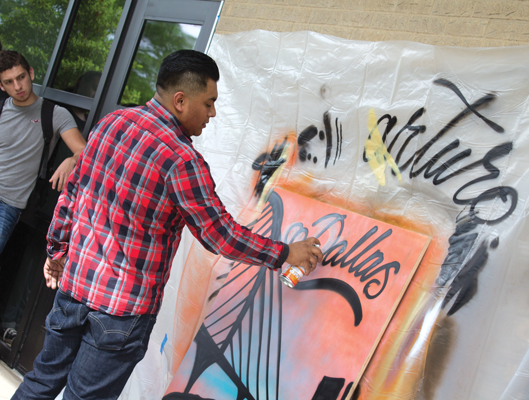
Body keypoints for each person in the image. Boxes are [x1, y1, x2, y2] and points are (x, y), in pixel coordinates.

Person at [12, 49, 323, 400]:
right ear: (180, 100)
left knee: (39, 383)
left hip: (73, 291)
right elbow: (220, 236)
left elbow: (72, 193)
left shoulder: (111, 123)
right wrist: (284, 253)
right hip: (119, 315)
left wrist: (56, 250)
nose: (213, 113)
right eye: (208, 103)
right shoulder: (181, 160)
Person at [0, 50, 86, 344]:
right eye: (9, 82)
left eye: (21, 77)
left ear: (32, 73)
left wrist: (71, 160)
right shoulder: (1, 109)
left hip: (9, 205)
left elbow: (85, 152)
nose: (18, 86)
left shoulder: (53, 113)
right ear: (2, 86)